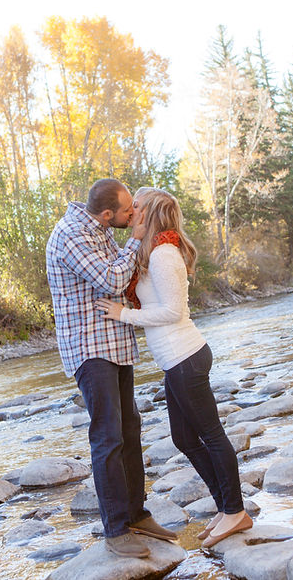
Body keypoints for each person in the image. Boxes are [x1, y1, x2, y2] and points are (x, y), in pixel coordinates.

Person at [96, 187, 252, 548]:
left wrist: (124, 314)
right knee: (184, 439)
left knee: (212, 435)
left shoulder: (164, 254)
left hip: (185, 357)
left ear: (149, 213)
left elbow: (173, 312)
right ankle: (226, 507)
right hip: (176, 361)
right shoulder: (152, 252)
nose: (130, 212)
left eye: (136, 206)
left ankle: (236, 511)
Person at [45, 178, 177, 558]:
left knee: (130, 430)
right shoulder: (71, 235)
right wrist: (136, 239)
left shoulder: (99, 229)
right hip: (90, 349)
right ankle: (116, 530)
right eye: (127, 210)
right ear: (107, 214)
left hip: (114, 345)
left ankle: (137, 514)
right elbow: (112, 279)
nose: (133, 214)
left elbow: (122, 273)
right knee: (107, 437)